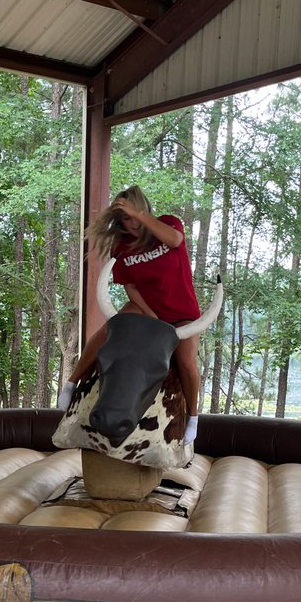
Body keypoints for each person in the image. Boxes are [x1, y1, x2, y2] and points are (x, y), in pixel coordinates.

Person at [58, 185, 201, 444]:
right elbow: (130, 286)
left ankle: (193, 418)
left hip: (182, 314)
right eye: (126, 218)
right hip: (147, 308)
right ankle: (71, 383)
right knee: (108, 332)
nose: (133, 223)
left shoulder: (169, 224)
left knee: (187, 361)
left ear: (145, 210)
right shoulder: (122, 246)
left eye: (136, 214)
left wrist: (138, 214)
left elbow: (175, 241)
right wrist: (150, 315)